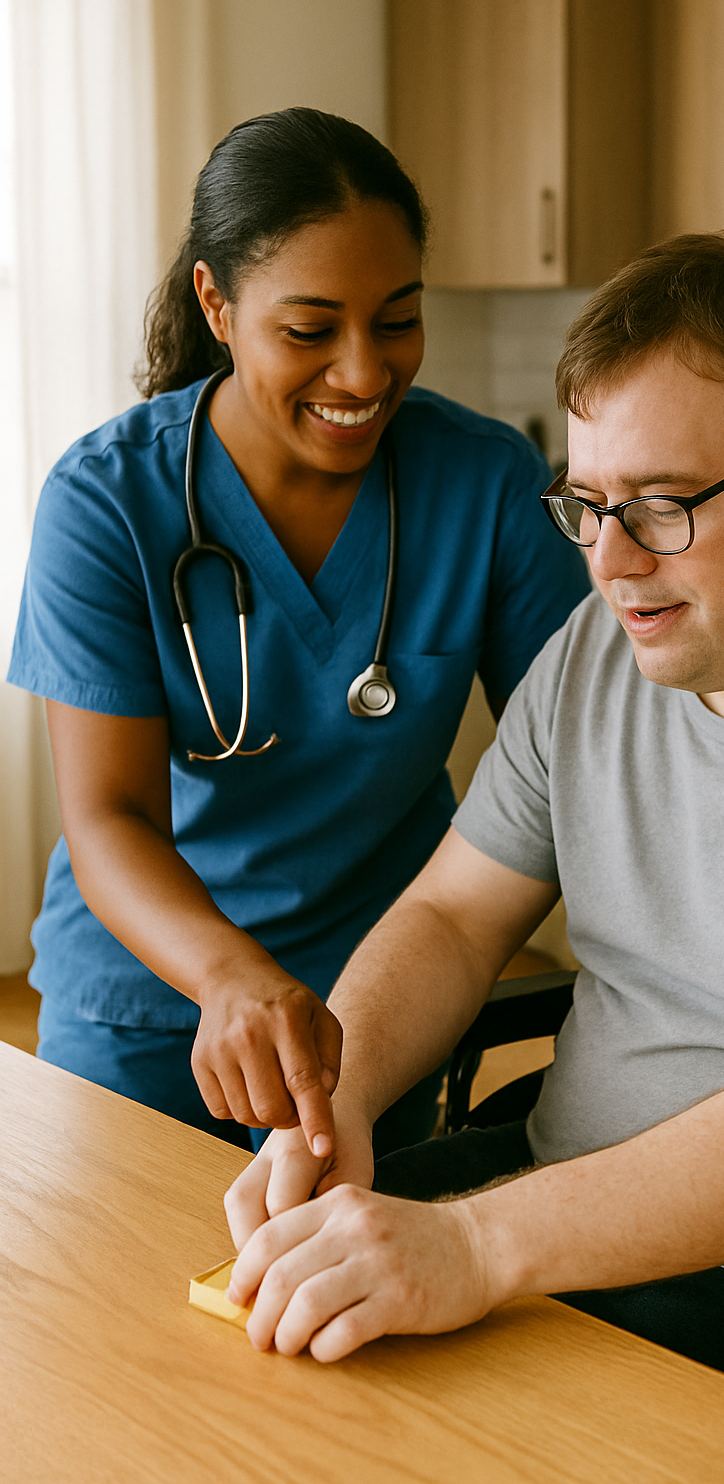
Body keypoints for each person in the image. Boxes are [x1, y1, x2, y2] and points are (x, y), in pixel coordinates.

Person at [221, 230, 724, 1418]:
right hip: (547, 1204)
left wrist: (476, 1249)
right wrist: (337, 1096)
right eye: (586, 506)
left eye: (657, 505)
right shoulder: (599, 652)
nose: (608, 563)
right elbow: (449, 915)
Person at [7, 108, 588, 1160]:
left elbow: (582, 758)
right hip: (147, 1007)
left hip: (366, 1024)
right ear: (217, 304)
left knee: (326, 1312)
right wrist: (229, 974)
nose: (364, 374)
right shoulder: (107, 502)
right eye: (311, 330)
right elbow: (108, 814)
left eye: (398, 318)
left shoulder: (485, 486)